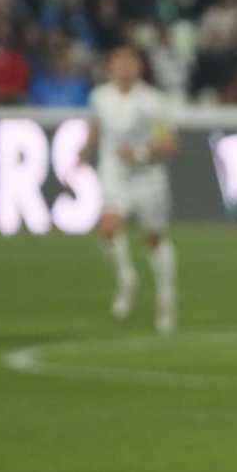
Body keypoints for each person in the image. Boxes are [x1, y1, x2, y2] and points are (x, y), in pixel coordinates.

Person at [81, 45, 179, 332]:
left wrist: (140, 153)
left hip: (148, 176)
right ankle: (127, 277)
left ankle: (166, 299)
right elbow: (95, 127)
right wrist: (84, 151)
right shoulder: (99, 96)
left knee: (154, 237)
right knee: (108, 226)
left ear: (139, 67)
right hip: (115, 173)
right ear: (109, 66)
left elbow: (170, 143)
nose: (124, 68)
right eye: (119, 62)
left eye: (130, 62)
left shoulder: (152, 101)